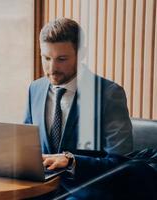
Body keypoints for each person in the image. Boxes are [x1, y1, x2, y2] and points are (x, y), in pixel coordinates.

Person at [23, 17, 134, 198]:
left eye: (62, 59)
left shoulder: (109, 94)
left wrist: (71, 161)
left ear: (81, 54)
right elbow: (26, 144)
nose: (52, 68)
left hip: (85, 193)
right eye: (46, 58)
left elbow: (121, 164)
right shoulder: (35, 89)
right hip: (38, 190)